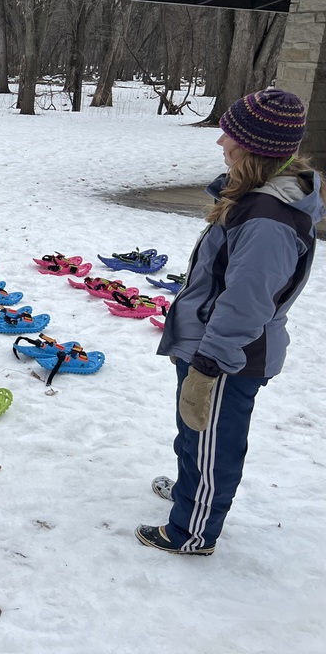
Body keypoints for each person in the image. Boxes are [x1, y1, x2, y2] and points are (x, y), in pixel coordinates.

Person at [137, 88, 325, 556]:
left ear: (253, 148)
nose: (220, 142)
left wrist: (209, 361)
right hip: (208, 341)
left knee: (213, 443)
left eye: (229, 136)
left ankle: (192, 531)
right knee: (195, 428)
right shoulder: (254, 199)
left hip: (228, 354)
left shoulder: (269, 219)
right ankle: (190, 494)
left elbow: (246, 303)